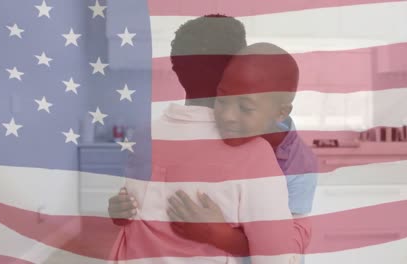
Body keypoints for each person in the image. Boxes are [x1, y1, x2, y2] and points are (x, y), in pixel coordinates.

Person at [108, 16, 300, 264]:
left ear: (176, 69)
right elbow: (276, 258)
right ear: (236, 67)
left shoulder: (145, 135)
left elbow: (130, 216)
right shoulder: (253, 153)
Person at [166, 43, 318, 261]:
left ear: (280, 112)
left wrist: (218, 234)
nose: (227, 116)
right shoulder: (214, 131)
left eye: (245, 108)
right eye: (221, 100)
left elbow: (285, 251)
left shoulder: (299, 166)